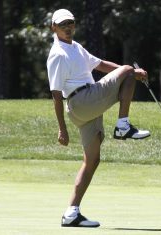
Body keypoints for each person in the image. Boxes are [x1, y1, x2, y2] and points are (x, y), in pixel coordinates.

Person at [47, 9, 150, 228]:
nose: (68, 27)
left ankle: (71, 212)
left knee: (92, 160)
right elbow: (56, 96)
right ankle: (123, 126)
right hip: (81, 101)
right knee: (127, 70)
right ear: (53, 28)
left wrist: (134, 74)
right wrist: (61, 129)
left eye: (71, 23)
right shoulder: (58, 54)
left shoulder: (76, 48)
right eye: (62, 24)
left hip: (87, 106)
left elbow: (101, 64)